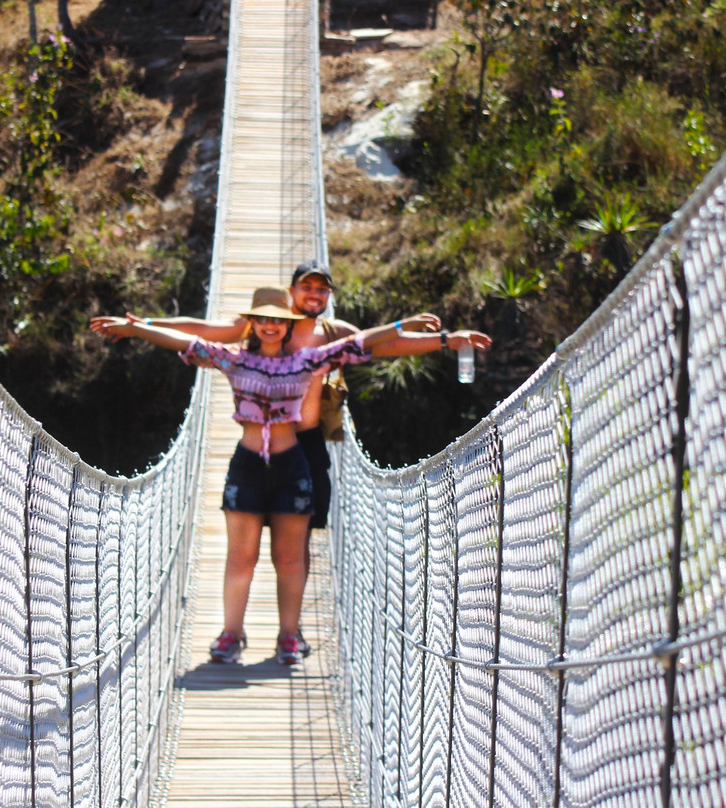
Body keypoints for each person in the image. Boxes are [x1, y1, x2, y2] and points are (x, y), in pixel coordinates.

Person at [92, 261, 493, 657]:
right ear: (261, 316)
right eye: (263, 319)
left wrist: (426, 333)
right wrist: (137, 327)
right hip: (249, 462)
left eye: (279, 320)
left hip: (298, 456)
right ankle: (232, 634)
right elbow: (191, 338)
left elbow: (366, 343)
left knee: (291, 554)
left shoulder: (313, 352)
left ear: (290, 321)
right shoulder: (235, 355)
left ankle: (289, 633)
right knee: (241, 556)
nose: (271, 325)